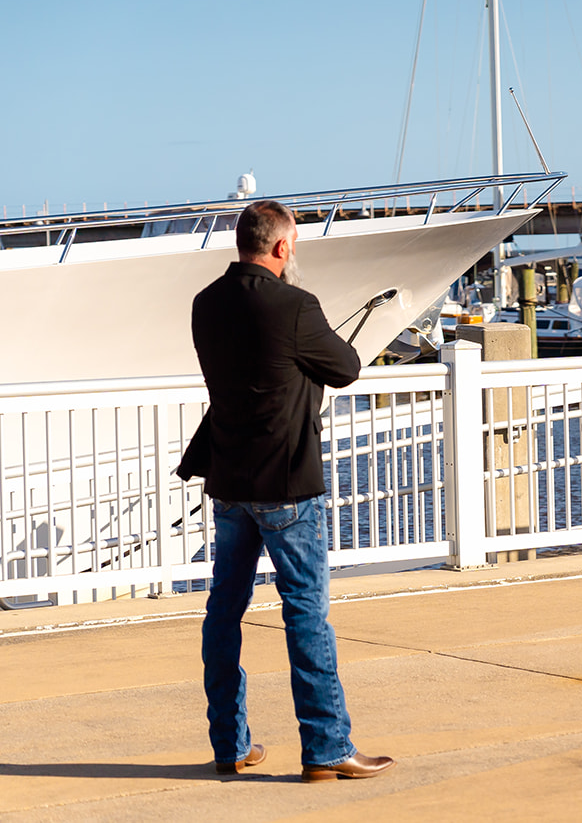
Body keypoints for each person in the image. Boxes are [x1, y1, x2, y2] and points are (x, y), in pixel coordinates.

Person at [179, 199, 394, 783]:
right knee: (305, 615)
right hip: (288, 487)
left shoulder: (206, 304)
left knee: (224, 611)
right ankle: (326, 748)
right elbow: (346, 366)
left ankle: (230, 744)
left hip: (229, 484)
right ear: (281, 247)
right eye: (292, 244)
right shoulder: (297, 306)